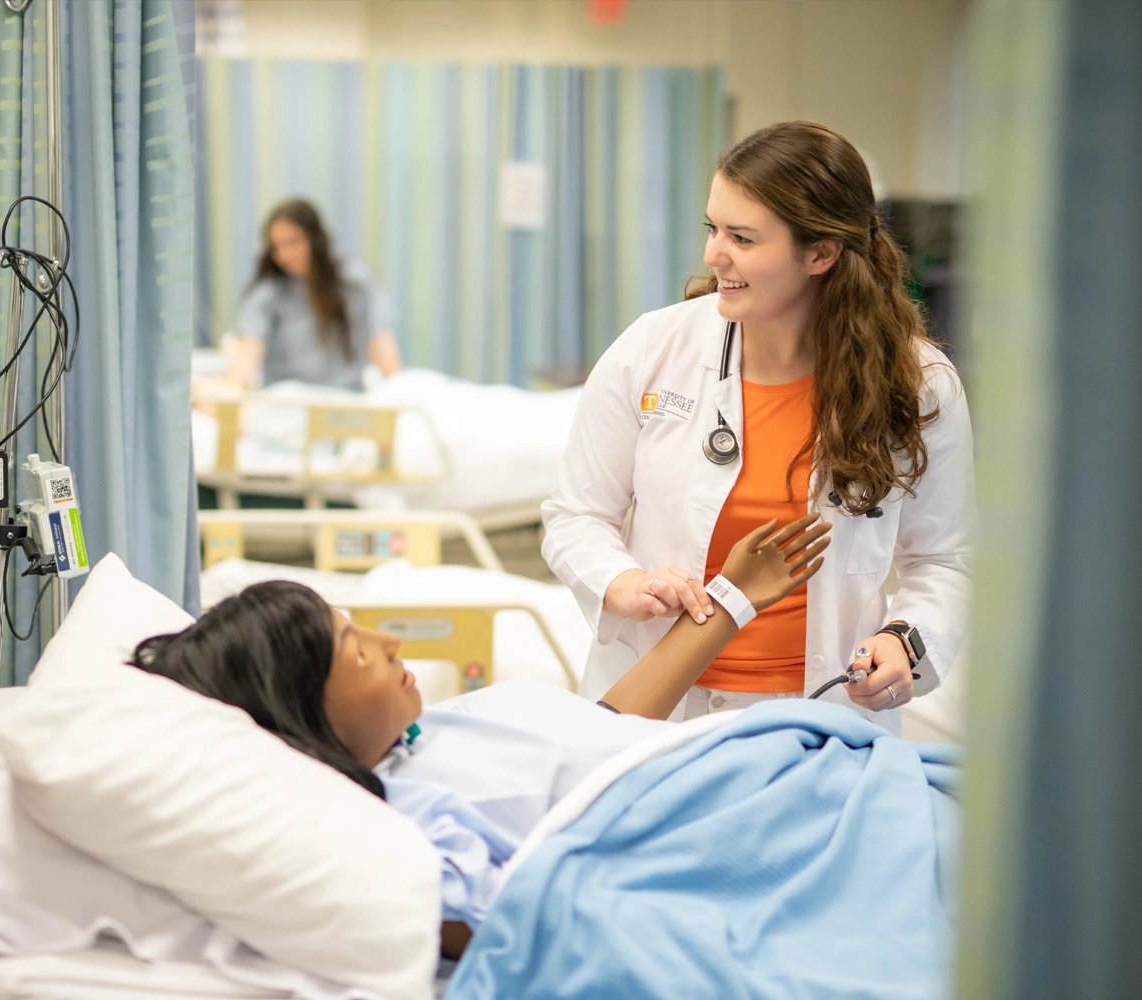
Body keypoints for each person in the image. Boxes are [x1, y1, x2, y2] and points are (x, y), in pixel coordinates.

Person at [130, 513, 828, 953]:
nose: (390, 641)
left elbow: (598, 733)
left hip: (774, 774)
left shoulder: (428, 733)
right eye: (360, 651)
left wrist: (734, 599)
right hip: (757, 838)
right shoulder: (392, 829)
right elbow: (528, 925)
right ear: (308, 716)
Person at [541, 120, 975, 730]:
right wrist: (620, 581)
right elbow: (576, 515)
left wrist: (905, 641)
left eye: (742, 238)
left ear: (820, 253)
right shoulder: (653, 349)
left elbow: (945, 560)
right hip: (660, 707)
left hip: (823, 714)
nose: (713, 254)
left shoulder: (918, 384)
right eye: (712, 228)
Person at [201, 198, 402, 394]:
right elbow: (249, 349)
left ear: (315, 238)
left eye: (293, 242)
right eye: (276, 247)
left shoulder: (355, 282)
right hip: (288, 404)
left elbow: (380, 341)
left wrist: (398, 393)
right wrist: (230, 387)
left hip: (344, 403)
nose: (285, 255)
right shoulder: (269, 293)